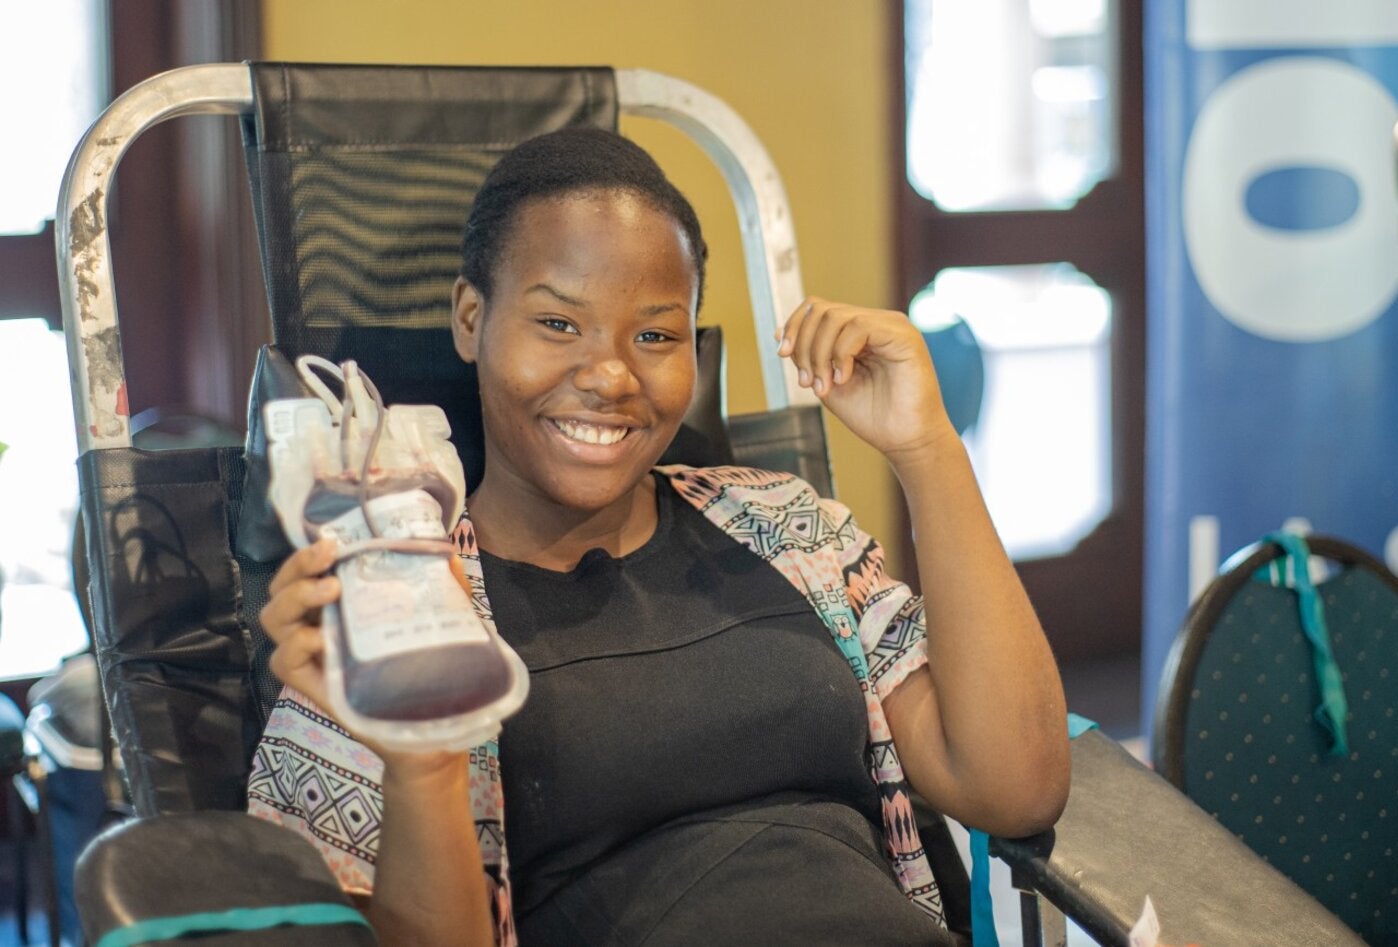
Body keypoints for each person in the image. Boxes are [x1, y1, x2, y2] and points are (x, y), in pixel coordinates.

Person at [248, 127, 1069, 946]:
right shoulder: (392, 607)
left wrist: (925, 447)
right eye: (558, 324)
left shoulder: (787, 525)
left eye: (655, 335)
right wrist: (423, 753)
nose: (610, 376)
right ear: (472, 318)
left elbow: (1016, 786)